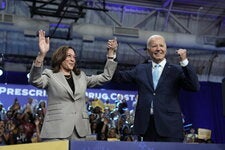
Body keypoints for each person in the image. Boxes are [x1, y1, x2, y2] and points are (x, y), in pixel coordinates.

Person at [28, 30, 118, 141]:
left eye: (74, 57)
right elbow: (34, 80)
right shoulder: (50, 75)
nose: (72, 59)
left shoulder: (81, 77)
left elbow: (106, 77)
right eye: (69, 56)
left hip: (80, 131)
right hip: (57, 130)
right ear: (60, 58)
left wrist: (111, 54)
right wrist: (41, 55)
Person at [111, 35, 200, 142]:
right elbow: (117, 77)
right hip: (146, 127)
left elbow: (194, 86)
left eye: (161, 46)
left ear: (165, 49)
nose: (158, 49)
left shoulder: (176, 70)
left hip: (170, 127)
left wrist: (184, 61)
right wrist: (112, 54)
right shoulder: (140, 69)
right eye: (154, 46)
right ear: (148, 50)